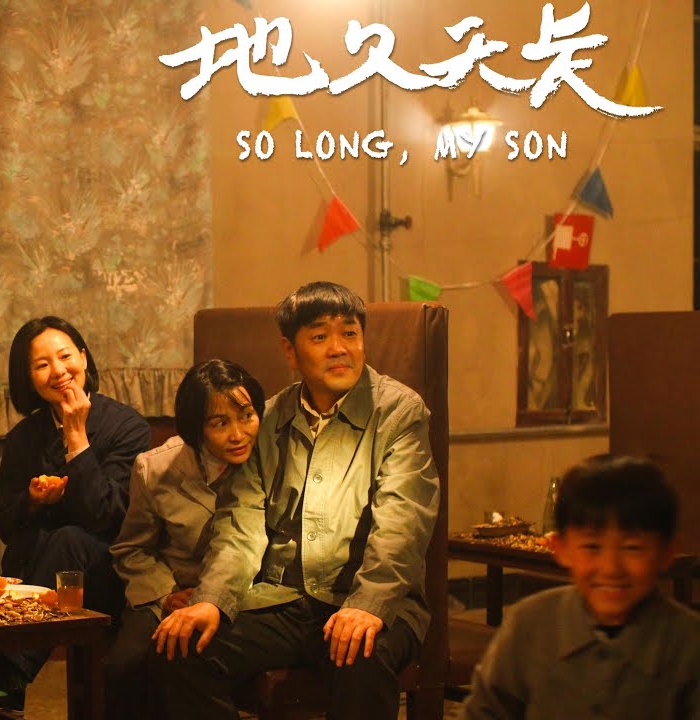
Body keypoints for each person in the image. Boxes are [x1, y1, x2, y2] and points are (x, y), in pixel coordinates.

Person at [151, 281, 439, 720]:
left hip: (371, 597)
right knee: (183, 648)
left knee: (361, 654)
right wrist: (211, 599)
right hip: (283, 600)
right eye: (320, 336)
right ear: (290, 350)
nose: (339, 348)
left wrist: (367, 606)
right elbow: (241, 525)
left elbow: (402, 524)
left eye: (350, 333)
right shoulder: (270, 417)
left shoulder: (398, 412)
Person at [0, 316, 152, 715]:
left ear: (83, 357)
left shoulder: (126, 426)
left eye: (65, 356)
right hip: (42, 573)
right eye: (42, 364)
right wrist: (33, 502)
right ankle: (4, 681)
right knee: (31, 544)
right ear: (28, 378)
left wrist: (77, 437)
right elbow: (6, 526)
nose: (58, 371)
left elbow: (108, 516)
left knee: (69, 539)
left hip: (110, 571)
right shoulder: (23, 437)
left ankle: (7, 679)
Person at [463, 455, 699, 719]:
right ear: (560, 548)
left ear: (667, 552)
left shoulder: (688, 646)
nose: (611, 568)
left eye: (633, 548)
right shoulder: (529, 625)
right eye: (592, 547)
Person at [107, 359, 265, 720]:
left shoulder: (269, 459)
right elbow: (132, 550)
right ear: (196, 427)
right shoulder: (156, 468)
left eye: (246, 416)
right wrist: (166, 594)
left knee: (189, 658)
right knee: (127, 664)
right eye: (220, 423)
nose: (238, 434)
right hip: (173, 593)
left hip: (244, 593)